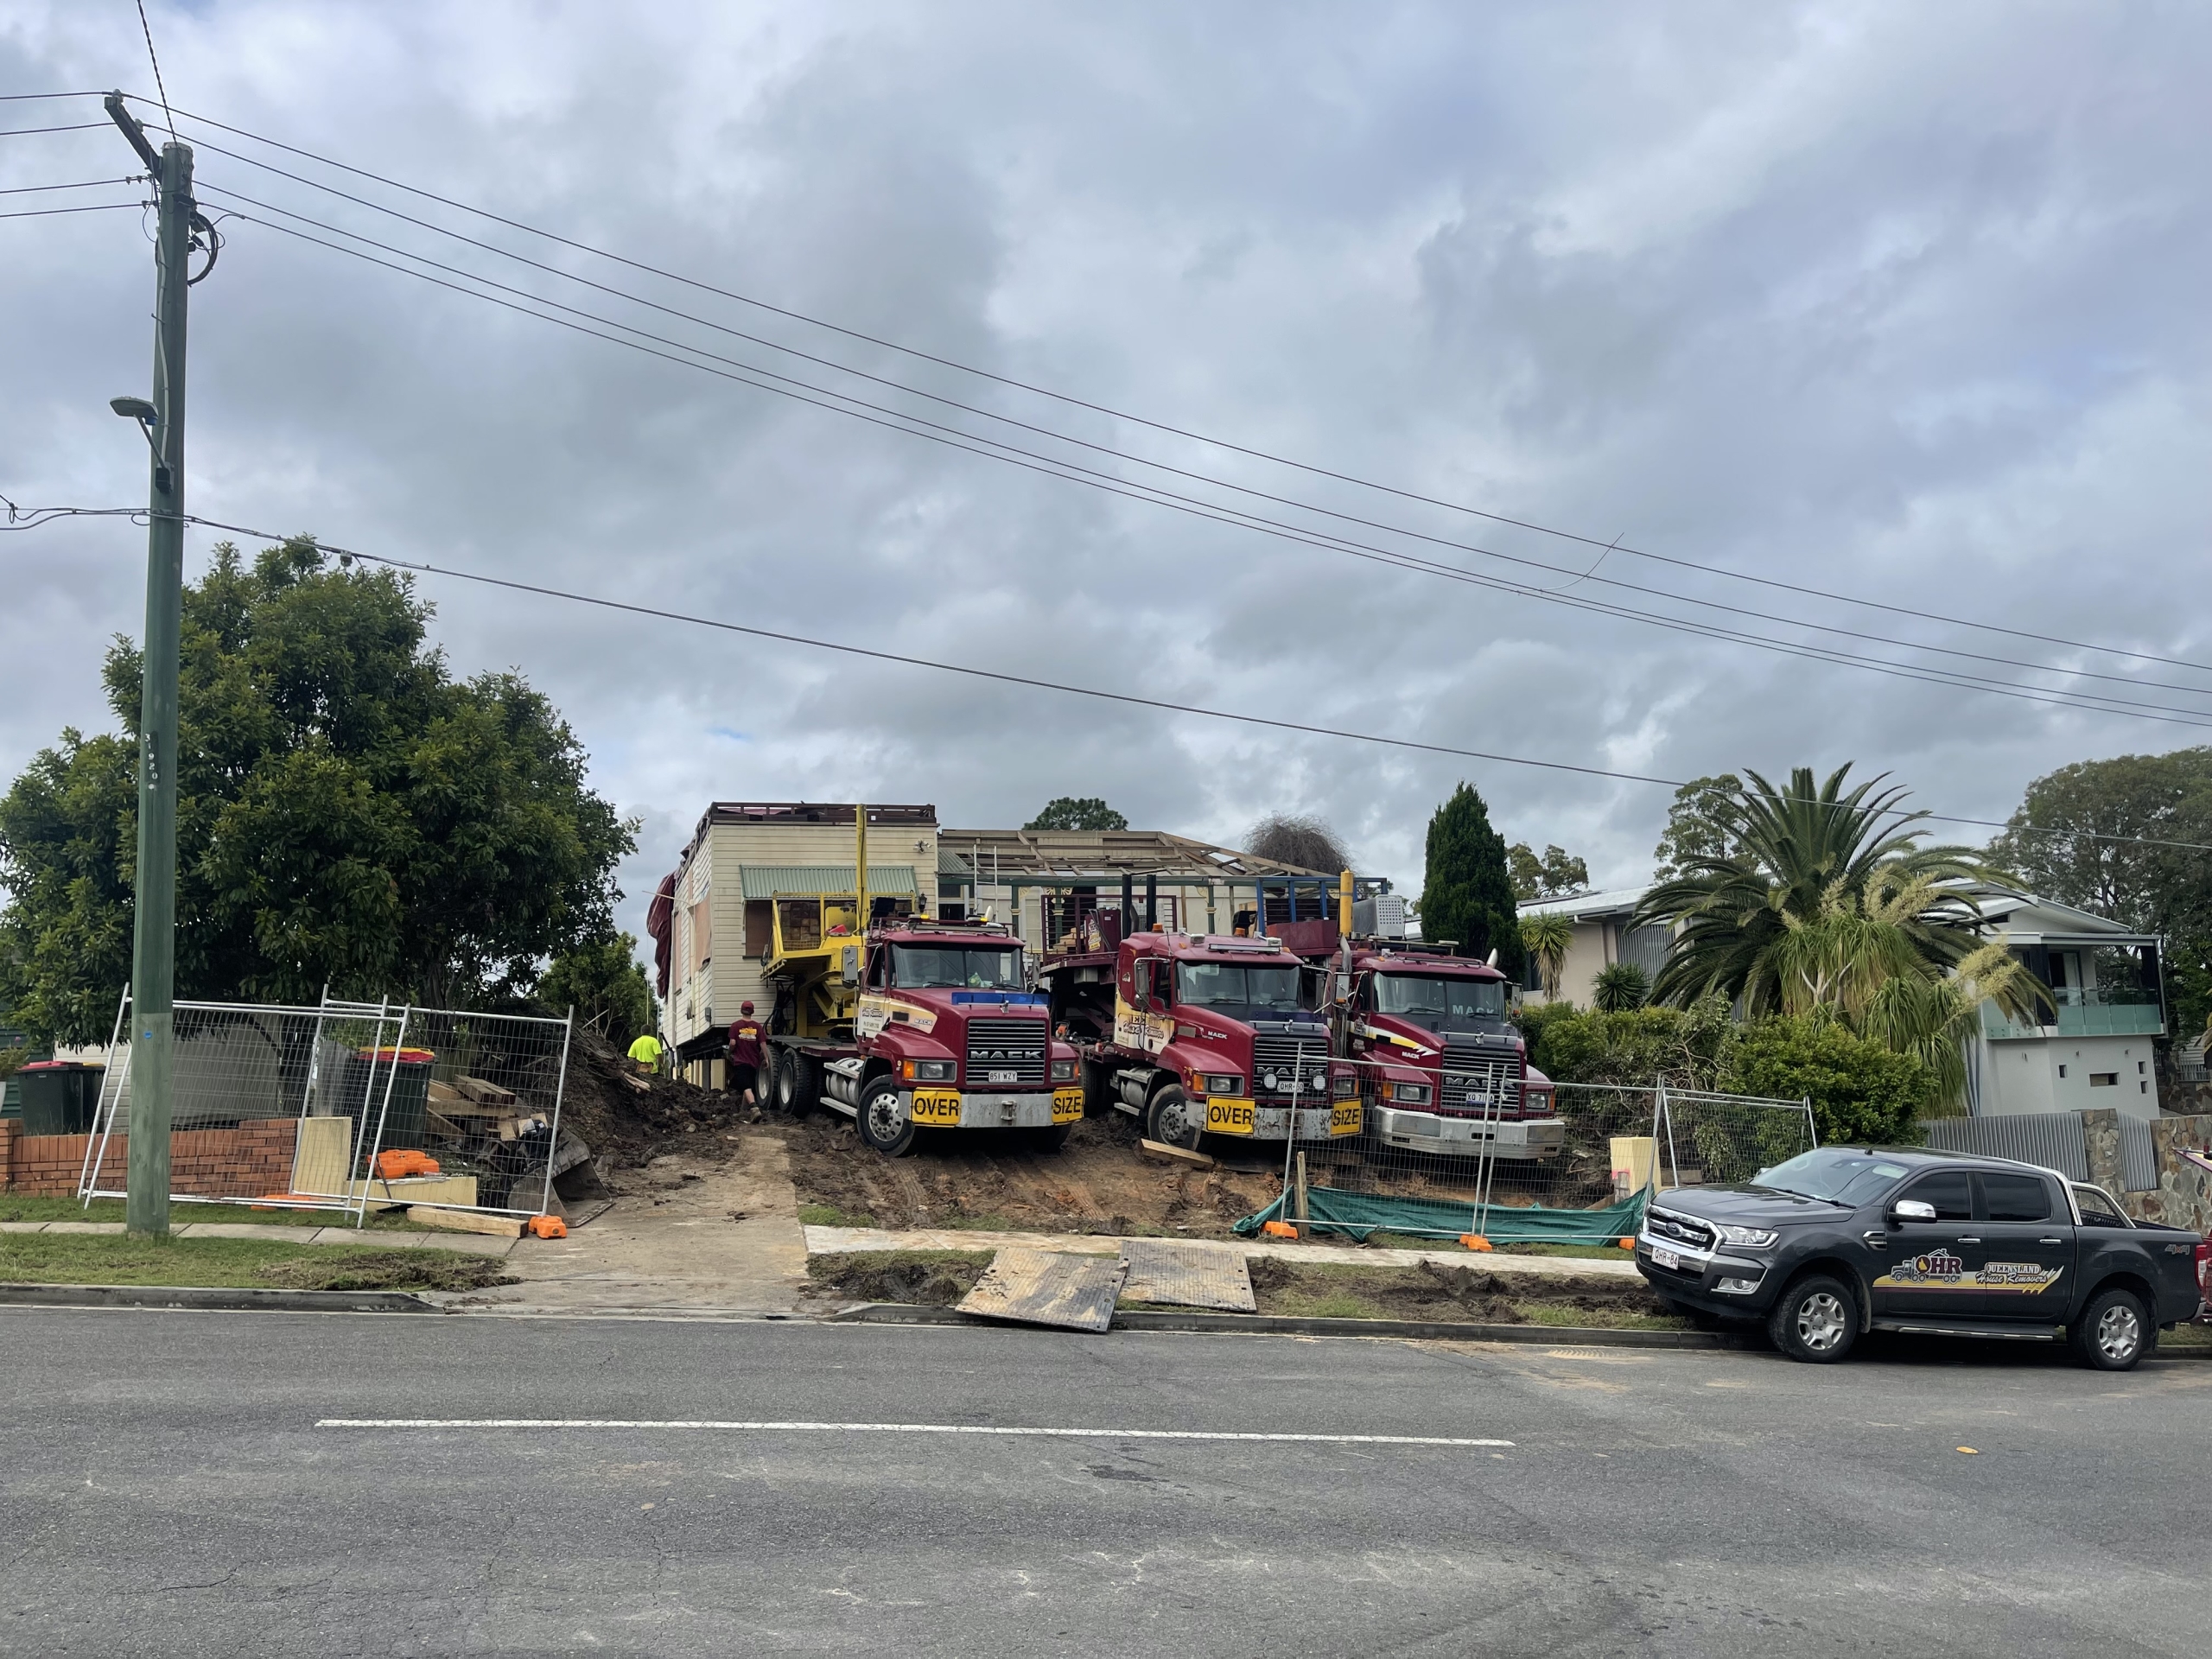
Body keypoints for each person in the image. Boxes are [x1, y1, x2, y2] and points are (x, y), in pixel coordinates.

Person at [727, 1001, 764, 1107]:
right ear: (753, 1012)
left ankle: (753, 1107)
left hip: (741, 1062)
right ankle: (744, 1111)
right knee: (747, 1086)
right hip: (754, 1062)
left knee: (746, 1087)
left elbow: (732, 1043)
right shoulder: (758, 1027)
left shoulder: (735, 1026)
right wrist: (766, 1058)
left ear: (741, 1011)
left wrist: (729, 1052)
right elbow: (763, 1044)